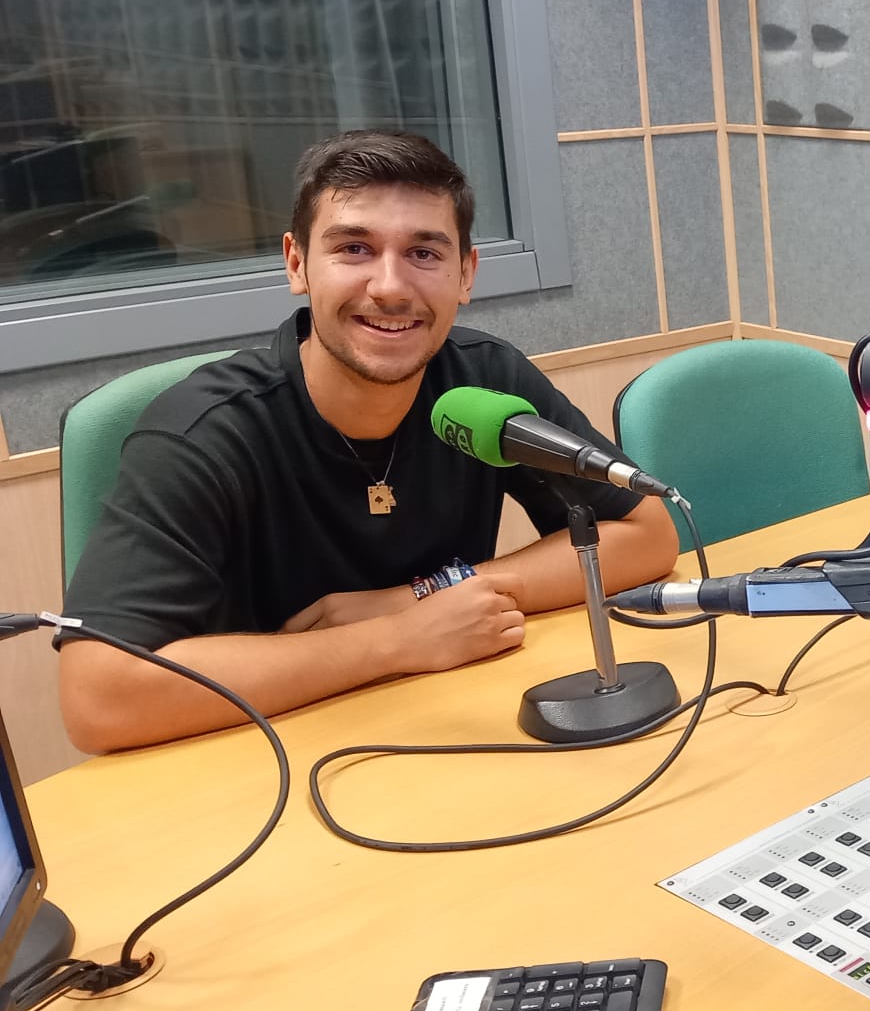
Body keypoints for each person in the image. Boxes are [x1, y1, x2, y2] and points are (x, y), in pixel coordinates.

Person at [58, 130, 680, 752]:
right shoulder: (203, 431)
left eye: (425, 254)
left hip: (448, 722)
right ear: (297, 264)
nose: (389, 286)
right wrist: (394, 641)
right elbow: (99, 697)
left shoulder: (485, 380)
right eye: (354, 248)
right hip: (267, 754)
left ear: (466, 272)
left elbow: (647, 534)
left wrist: (428, 598)